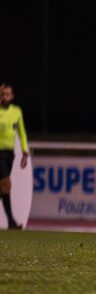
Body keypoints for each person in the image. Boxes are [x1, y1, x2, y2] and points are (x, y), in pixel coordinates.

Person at [0, 83, 29, 230]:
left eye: (7, 94)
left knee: (2, 189)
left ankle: (11, 221)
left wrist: (25, 151)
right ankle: (11, 221)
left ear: (12, 96)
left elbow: (21, 132)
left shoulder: (16, 112)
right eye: (2, 94)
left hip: (9, 155)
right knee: (6, 183)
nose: (4, 97)